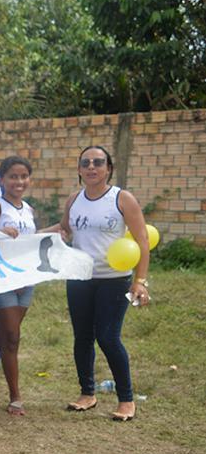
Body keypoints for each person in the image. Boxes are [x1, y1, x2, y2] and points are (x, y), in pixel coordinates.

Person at [61, 146, 149, 421]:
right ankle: (87, 394)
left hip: (114, 280)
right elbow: (64, 230)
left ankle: (126, 400)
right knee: (82, 337)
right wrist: (27, 237)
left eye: (98, 162)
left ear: (108, 168)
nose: (91, 167)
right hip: (79, 279)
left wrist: (140, 281)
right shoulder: (74, 199)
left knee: (108, 337)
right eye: (86, 163)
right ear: (79, 169)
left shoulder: (122, 198)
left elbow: (142, 241)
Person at [0, 155, 38, 416]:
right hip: (1, 279)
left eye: (23, 176)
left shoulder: (28, 208)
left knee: (6, 333)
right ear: (2, 179)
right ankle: (15, 396)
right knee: (13, 336)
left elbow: (31, 240)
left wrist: (56, 231)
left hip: (26, 279)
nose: (19, 181)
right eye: (13, 176)